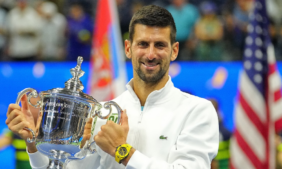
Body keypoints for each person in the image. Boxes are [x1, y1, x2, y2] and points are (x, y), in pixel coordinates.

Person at [5, 5, 219, 169]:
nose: (151, 54)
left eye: (160, 45)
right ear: (128, 48)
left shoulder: (197, 110)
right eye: (143, 44)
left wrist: (123, 151)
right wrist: (34, 143)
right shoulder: (103, 110)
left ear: (174, 51)